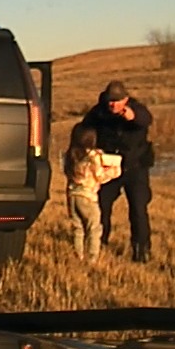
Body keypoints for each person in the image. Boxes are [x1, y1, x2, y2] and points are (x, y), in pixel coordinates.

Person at [80, 80, 155, 262]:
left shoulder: (136, 109)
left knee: (138, 209)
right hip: (108, 168)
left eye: (117, 101)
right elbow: (84, 129)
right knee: (101, 207)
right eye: (110, 101)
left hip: (135, 167)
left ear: (126, 99)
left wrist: (132, 116)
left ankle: (141, 250)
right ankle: (99, 243)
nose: (113, 105)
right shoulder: (99, 112)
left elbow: (146, 119)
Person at [63, 123, 121, 264]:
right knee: (94, 228)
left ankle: (78, 255)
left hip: (72, 195)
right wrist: (114, 172)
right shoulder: (93, 156)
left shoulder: (71, 155)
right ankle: (92, 258)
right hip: (88, 197)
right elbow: (100, 176)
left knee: (78, 228)